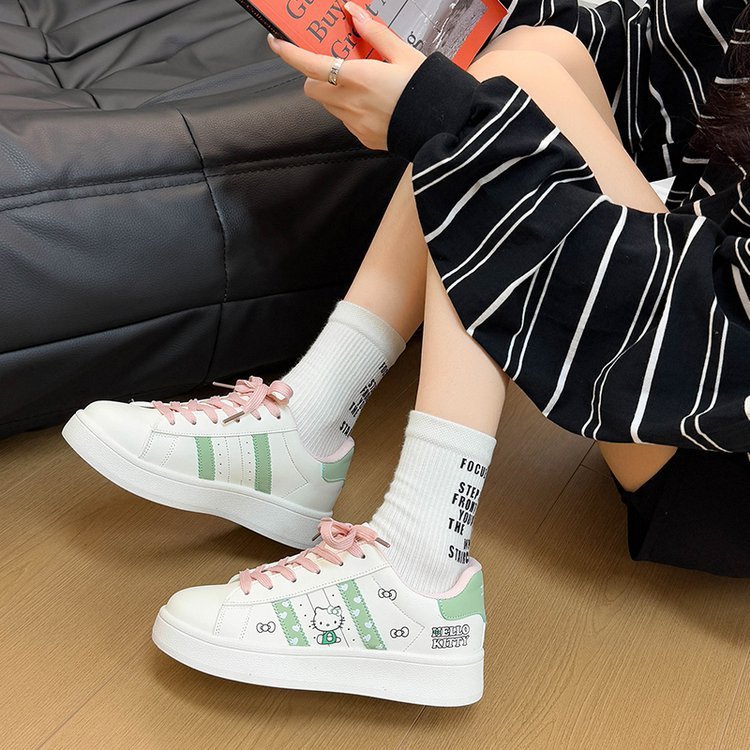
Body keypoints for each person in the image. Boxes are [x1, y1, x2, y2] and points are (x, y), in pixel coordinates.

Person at [62, 0, 750, 705]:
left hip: (722, 440)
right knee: (534, 54)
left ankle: (421, 570)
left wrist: (455, 117)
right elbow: (663, 62)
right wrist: (462, 21)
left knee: (496, 116)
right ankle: (307, 420)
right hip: (706, 349)